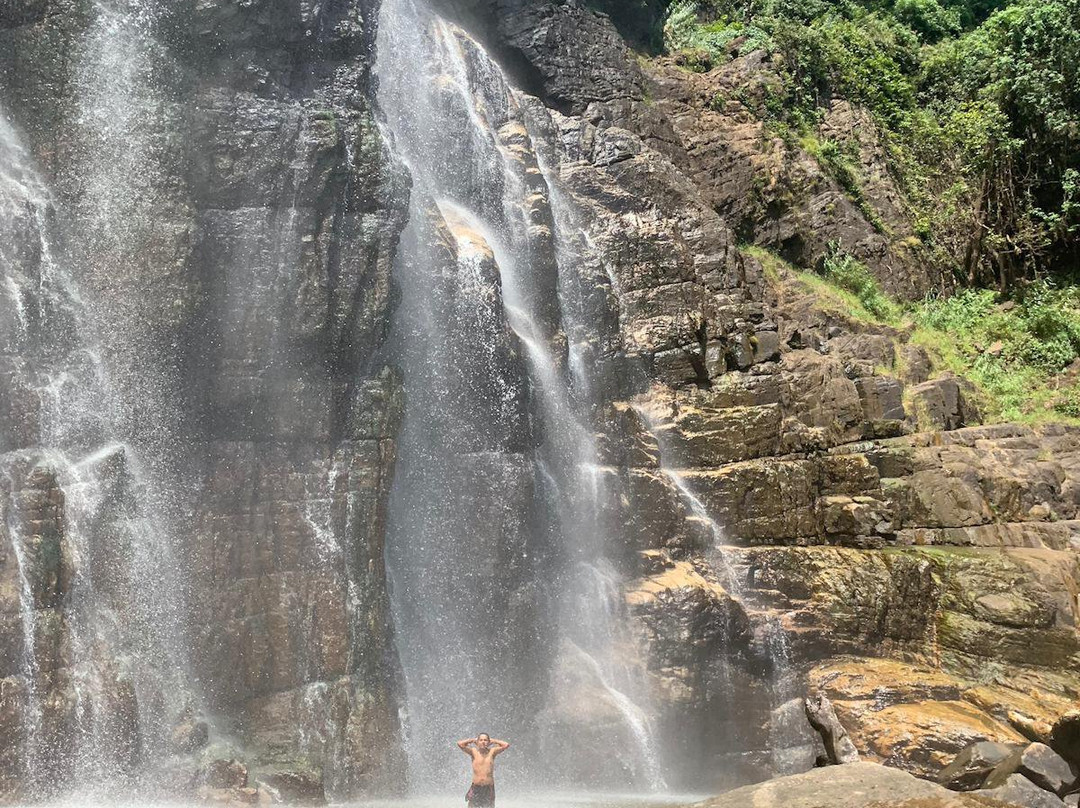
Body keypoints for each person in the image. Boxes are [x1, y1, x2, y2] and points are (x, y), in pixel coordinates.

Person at [457, 733, 510, 807]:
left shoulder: (492, 752)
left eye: (485, 740)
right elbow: (460, 744)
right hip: (476, 786)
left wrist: (494, 741)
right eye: (481, 740)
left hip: (488, 787)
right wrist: (472, 740)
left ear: (488, 742)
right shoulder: (473, 752)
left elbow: (506, 745)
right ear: (477, 742)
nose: (483, 742)